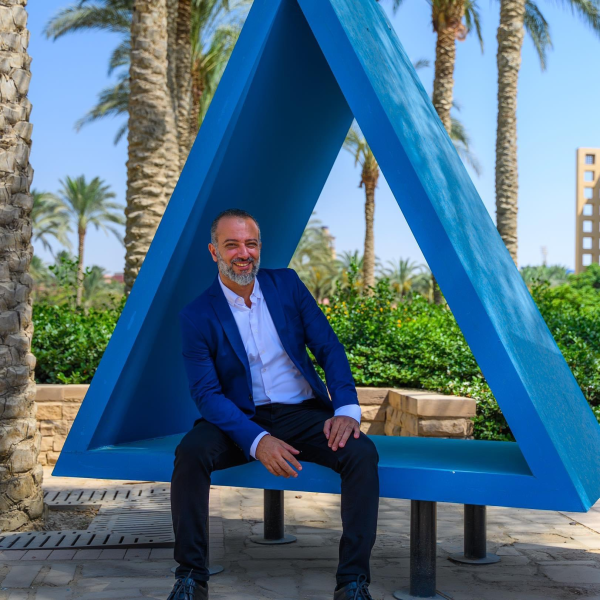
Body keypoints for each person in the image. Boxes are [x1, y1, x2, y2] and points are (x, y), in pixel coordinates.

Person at [167, 209, 380, 600]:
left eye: (251, 244)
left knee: (361, 453)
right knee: (191, 452)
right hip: (240, 419)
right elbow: (207, 395)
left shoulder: (287, 285)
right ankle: (191, 578)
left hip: (303, 413)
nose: (243, 253)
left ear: (260, 247)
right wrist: (258, 440)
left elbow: (329, 348)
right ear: (214, 251)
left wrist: (346, 410)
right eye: (232, 245)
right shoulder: (197, 315)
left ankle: (352, 582)